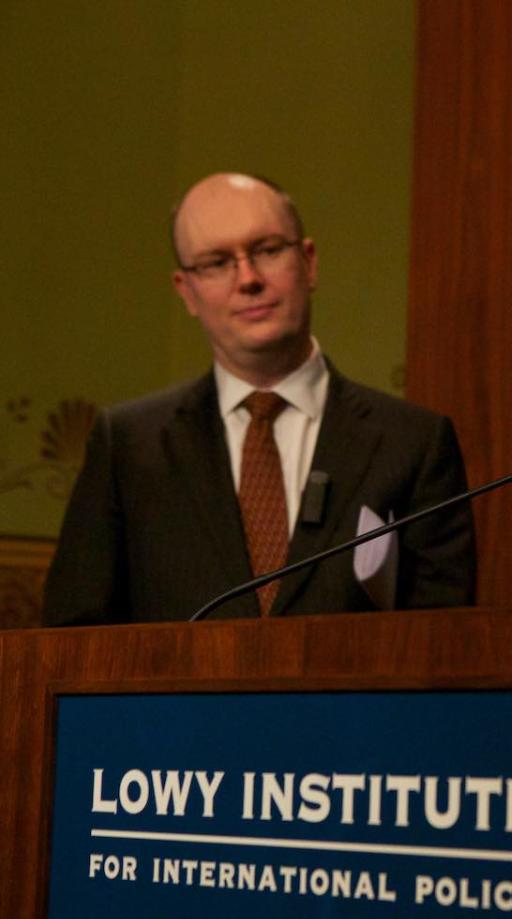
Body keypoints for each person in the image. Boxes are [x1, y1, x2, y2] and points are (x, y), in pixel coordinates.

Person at [44, 172, 475, 624]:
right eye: (216, 262)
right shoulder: (128, 446)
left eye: (267, 250)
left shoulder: (413, 443)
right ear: (186, 291)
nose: (247, 278)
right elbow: (73, 639)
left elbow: (441, 647)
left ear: (309, 262)